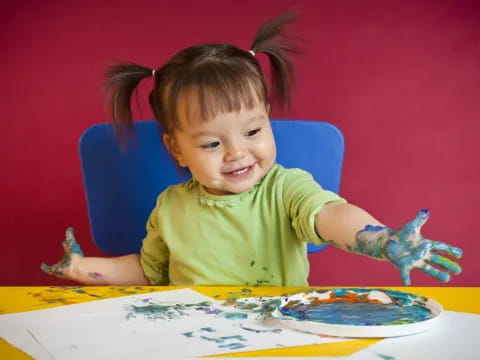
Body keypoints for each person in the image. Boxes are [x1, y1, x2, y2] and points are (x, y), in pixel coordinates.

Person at [41, 13, 462, 287]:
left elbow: (331, 216)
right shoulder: (169, 207)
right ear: (177, 148)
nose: (237, 152)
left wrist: (381, 239)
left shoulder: (286, 189)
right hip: (186, 338)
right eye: (211, 142)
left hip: (277, 332)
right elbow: (150, 272)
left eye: (253, 130)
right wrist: (84, 269)